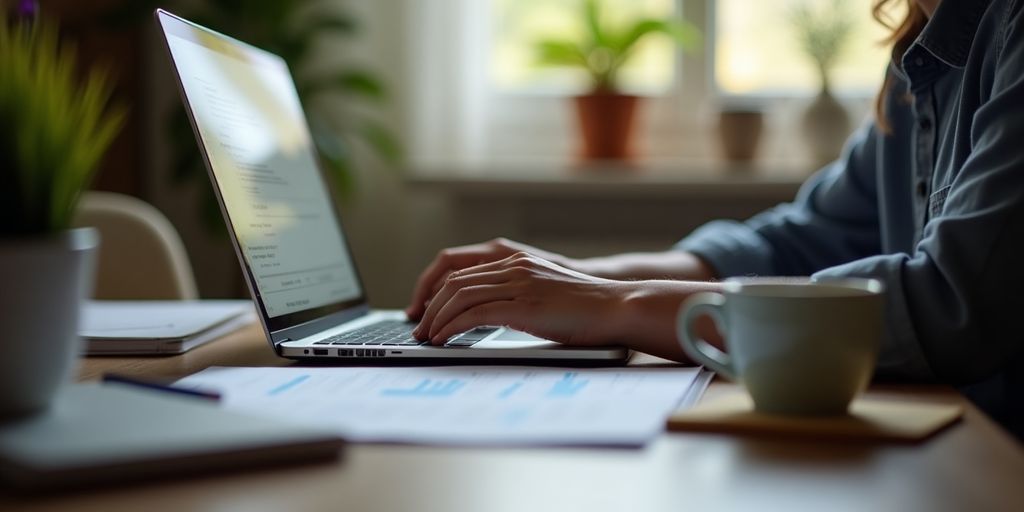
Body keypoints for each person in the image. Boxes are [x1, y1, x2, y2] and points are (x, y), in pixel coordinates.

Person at [407, 0, 1024, 438]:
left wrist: (615, 305)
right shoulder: (918, 58)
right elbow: (796, 243)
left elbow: (952, 305)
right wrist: (571, 276)